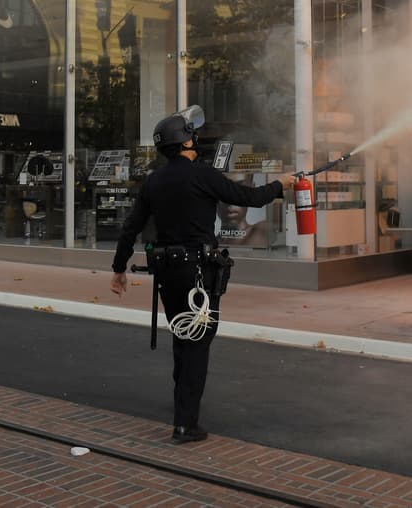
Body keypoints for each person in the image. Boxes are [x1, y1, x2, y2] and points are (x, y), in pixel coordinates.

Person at [110, 106, 294, 444]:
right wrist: (281, 185)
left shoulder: (154, 181)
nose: (196, 140)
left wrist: (118, 269)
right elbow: (249, 197)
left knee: (183, 336)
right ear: (186, 142)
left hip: (166, 271)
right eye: (193, 136)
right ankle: (185, 423)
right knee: (197, 342)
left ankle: (183, 405)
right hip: (198, 271)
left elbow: (131, 227)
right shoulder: (202, 175)